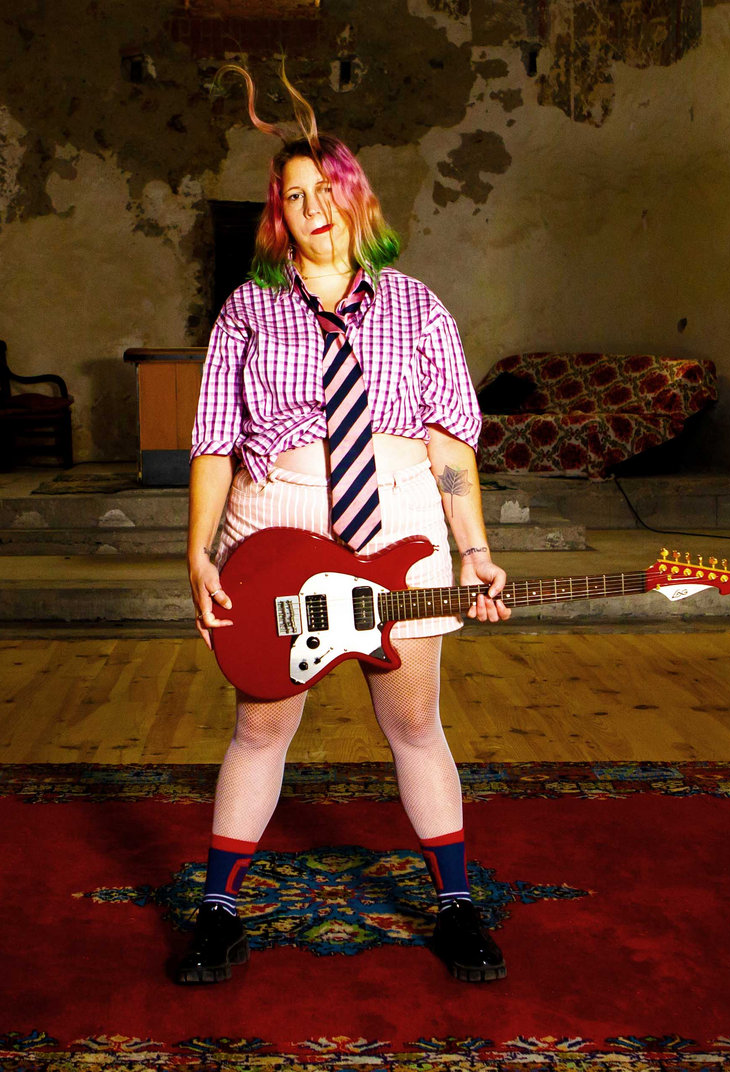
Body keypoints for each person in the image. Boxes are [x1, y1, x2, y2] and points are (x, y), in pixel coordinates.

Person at [177, 64, 512, 986]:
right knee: (260, 728)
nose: (312, 207)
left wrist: (474, 549)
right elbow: (213, 442)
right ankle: (218, 915)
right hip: (277, 534)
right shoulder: (248, 310)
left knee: (416, 722)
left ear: (355, 197)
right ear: (277, 216)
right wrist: (198, 554)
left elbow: (451, 445)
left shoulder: (417, 307)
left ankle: (455, 907)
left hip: (401, 521)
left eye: (326, 189)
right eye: (294, 196)